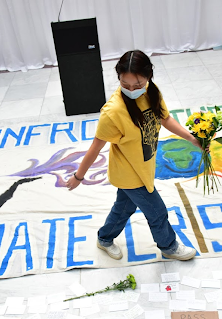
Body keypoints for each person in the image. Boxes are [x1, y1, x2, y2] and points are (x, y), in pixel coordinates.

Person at [66, 50, 207, 261]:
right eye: (125, 84)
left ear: (148, 77)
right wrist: (78, 177)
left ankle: (104, 238)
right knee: (157, 212)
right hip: (129, 173)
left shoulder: (151, 92)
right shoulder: (112, 112)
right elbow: (95, 148)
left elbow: (164, 119)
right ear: (119, 78)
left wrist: (192, 139)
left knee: (124, 208)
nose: (131, 90)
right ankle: (169, 246)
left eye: (138, 85)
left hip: (144, 165)